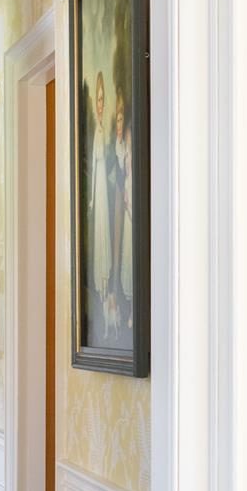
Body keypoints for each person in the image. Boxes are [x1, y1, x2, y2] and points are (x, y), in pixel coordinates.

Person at [87, 69, 113, 335]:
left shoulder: (105, 130)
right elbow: (94, 168)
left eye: (103, 98)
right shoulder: (96, 131)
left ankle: (107, 285)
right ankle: (102, 287)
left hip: (106, 189)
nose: (101, 103)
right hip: (99, 190)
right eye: (98, 98)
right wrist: (93, 197)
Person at [113, 87, 134, 329]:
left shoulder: (130, 140)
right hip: (127, 204)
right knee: (127, 258)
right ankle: (129, 305)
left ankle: (133, 307)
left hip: (131, 208)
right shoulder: (122, 146)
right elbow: (120, 159)